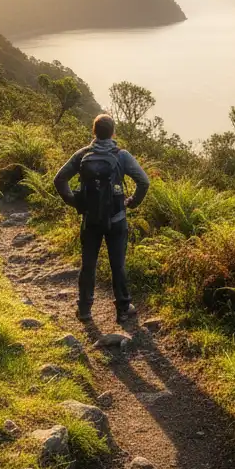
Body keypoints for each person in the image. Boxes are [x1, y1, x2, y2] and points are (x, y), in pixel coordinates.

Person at [54, 113, 149, 325]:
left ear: (94, 131)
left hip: (90, 219)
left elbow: (59, 179)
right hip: (117, 218)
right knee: (118, 265)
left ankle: (85, 310)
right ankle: (123, 310)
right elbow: (144, 182)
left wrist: (76, 202)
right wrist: (132, 202)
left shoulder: (82, 154)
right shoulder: (122, 156)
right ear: (113, 132)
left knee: (88, 264)